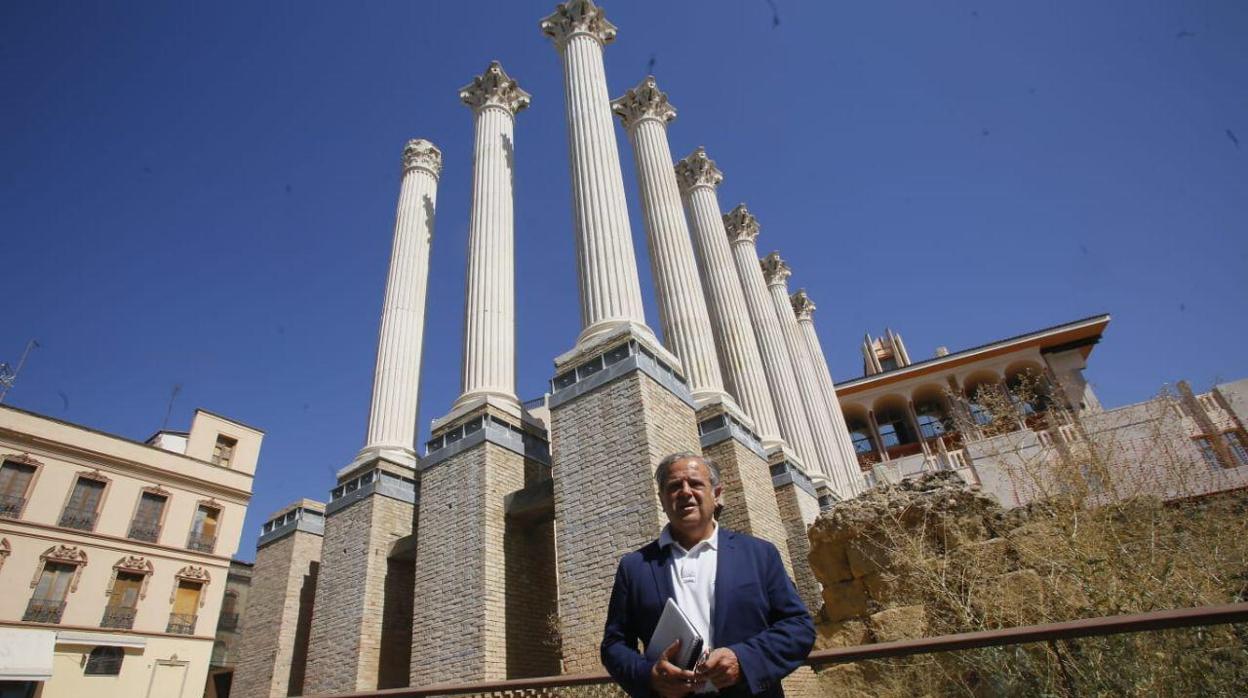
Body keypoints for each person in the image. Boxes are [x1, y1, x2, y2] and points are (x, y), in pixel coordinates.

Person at [601, 452, 815, 697]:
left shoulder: (759, 555)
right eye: (674, 486)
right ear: (662, 499)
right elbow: (614, 645)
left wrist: (743, 660)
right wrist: (649, 675)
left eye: (695, 483)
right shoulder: (635, 567)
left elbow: (799, 627)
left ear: (716, 493)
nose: (685, 492)